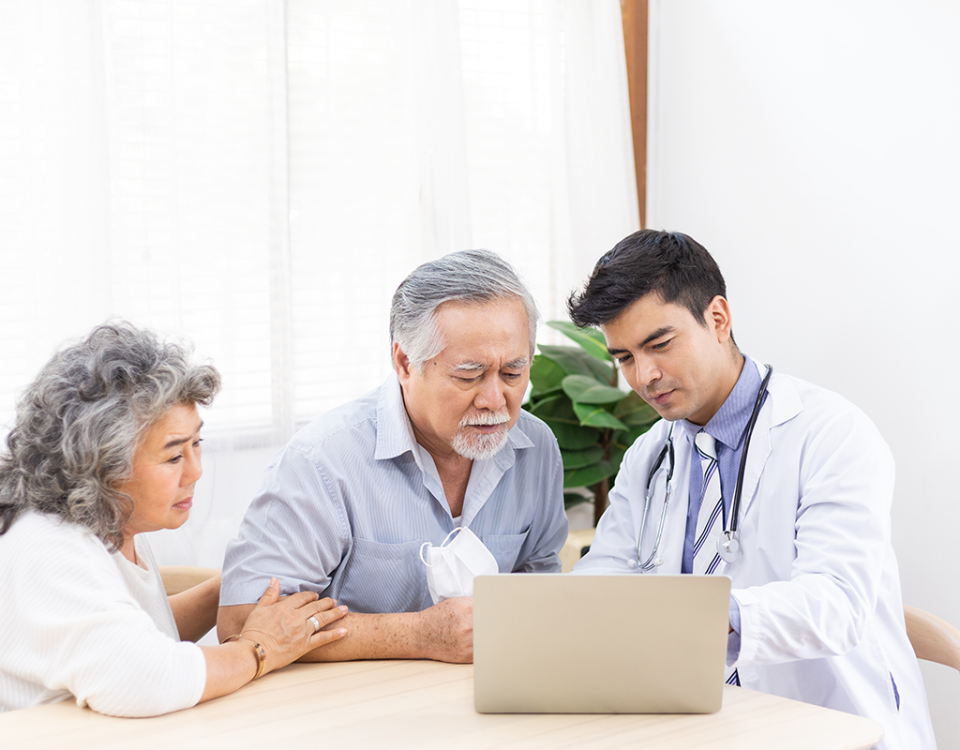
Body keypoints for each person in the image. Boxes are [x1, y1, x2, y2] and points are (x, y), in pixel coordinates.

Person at [568, 230, 935, 749]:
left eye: (659, 344)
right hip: (700, 726)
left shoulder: (830, 434)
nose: (645, 375)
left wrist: (699, 616)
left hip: (830, 725)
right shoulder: (650, 456)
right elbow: (605, 572)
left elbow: (836, 603)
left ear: (718, 319)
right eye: (625, 357)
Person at [218, 250, 567, 663]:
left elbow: (542, 587)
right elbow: (242, 622)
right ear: (405, 362)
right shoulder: (323, 461)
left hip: (491, 701)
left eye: (513, 373)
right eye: (469, 376)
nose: (496, 400)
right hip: (351, 710)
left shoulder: (535, 447)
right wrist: (418, 634)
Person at [0, 323, 348, 717]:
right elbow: (143, 678)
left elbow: (134, 635)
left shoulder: (113, 521)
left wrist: (243, 579)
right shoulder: (46, 549)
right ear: (99, 465)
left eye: (196, 443)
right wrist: (258, 648)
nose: (196, 471)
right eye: (173, 457)